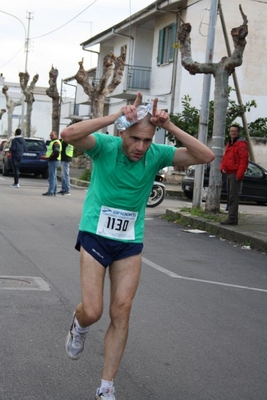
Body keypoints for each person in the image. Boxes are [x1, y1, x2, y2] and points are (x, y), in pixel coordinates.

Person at [60, 92, 214, 400]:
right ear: (122, 132)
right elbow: (68, 134)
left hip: (129, 242)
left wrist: (169, 126)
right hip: (95, 234)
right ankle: (79, 324)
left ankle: (106, 388)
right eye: (134, 139)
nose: (140, 147)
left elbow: (205, 156)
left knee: (123, 310)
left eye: (146, 139)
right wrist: (113, 117)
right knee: (93, 310)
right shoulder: (105, 147)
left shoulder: (157, 153)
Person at [220, 124, 249, 225]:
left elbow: (244, 161)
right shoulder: (230, 143)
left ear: (238, 132)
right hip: (228, 173)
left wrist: (239, 174)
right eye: (231, 131)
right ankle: (231, 217)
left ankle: (232, 218)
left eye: (235, 131)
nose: (233, 133)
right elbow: (225, 158)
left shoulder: (241, 144)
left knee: (233, 197)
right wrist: (222, 167)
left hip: (235, 174)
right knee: (230, 196)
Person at [42, 131, 61, 196]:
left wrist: (49, 157)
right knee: (54, 177)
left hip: (53, 161)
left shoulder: (56, 143)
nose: (51, 137)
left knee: (51, 177)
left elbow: (56, 152)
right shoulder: (54, 142)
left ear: (56, 135)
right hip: (54, 161)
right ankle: (54, 191)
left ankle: (51, 191)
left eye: (52, 135)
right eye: (50, 135)